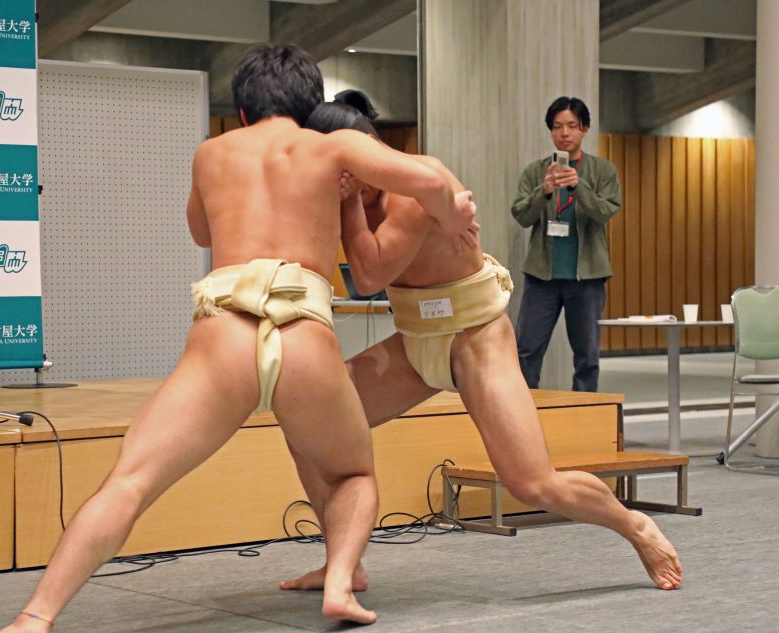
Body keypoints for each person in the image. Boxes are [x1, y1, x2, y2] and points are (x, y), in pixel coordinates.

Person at [0, 43, 478, 633]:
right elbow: (430, 178)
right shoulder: (332, 146)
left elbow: (201, 232)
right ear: (311, 107)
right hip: (303, 331)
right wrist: (455, 210)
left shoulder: (212, 152)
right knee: (351, 473)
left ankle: (35, 618)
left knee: (130, 480)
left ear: (244, 110)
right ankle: (340, 583)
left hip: (225, 328)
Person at [279, 92, 680, 597]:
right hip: (414, 341)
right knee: (305, 430)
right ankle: (343, 562)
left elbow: (368, 274)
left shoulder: (411, 189)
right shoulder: (342, 196)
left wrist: (347, 207)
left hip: (476, 339)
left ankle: (634, 526)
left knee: (532, 483)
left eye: (343, 163)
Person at [511, 96, 621, 392]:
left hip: (586, 279)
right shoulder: (536, 171)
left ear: (584, 129)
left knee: (587, 355)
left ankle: (583, 417)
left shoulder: (603, 170)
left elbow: (605, 211)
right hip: (541, 277)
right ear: (550, 131)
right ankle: (522, 415)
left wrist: (579, 186)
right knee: (526, 351)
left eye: (572, 126)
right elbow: (521, 215)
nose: (565, 133)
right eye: (558, 126)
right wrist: (543, 191)